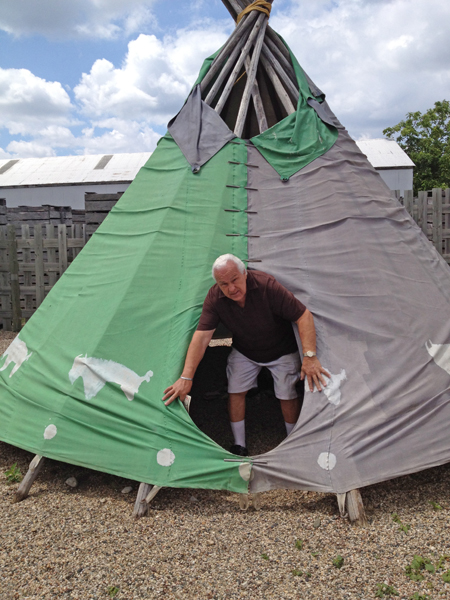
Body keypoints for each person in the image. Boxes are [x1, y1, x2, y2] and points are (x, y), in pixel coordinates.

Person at [163, 254, 329, 456]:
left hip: (282, 350)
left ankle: (291, 440)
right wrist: (186, 377)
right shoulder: (215, 297)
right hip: (245, 351)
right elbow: (202, 337)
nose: (231, 288)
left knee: (286, 394)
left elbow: (303, 316)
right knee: (235, 390)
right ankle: (239, 444)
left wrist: (309, 356)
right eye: (224, 284)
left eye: (234, 280)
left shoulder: (266, 285)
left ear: (245, 274)